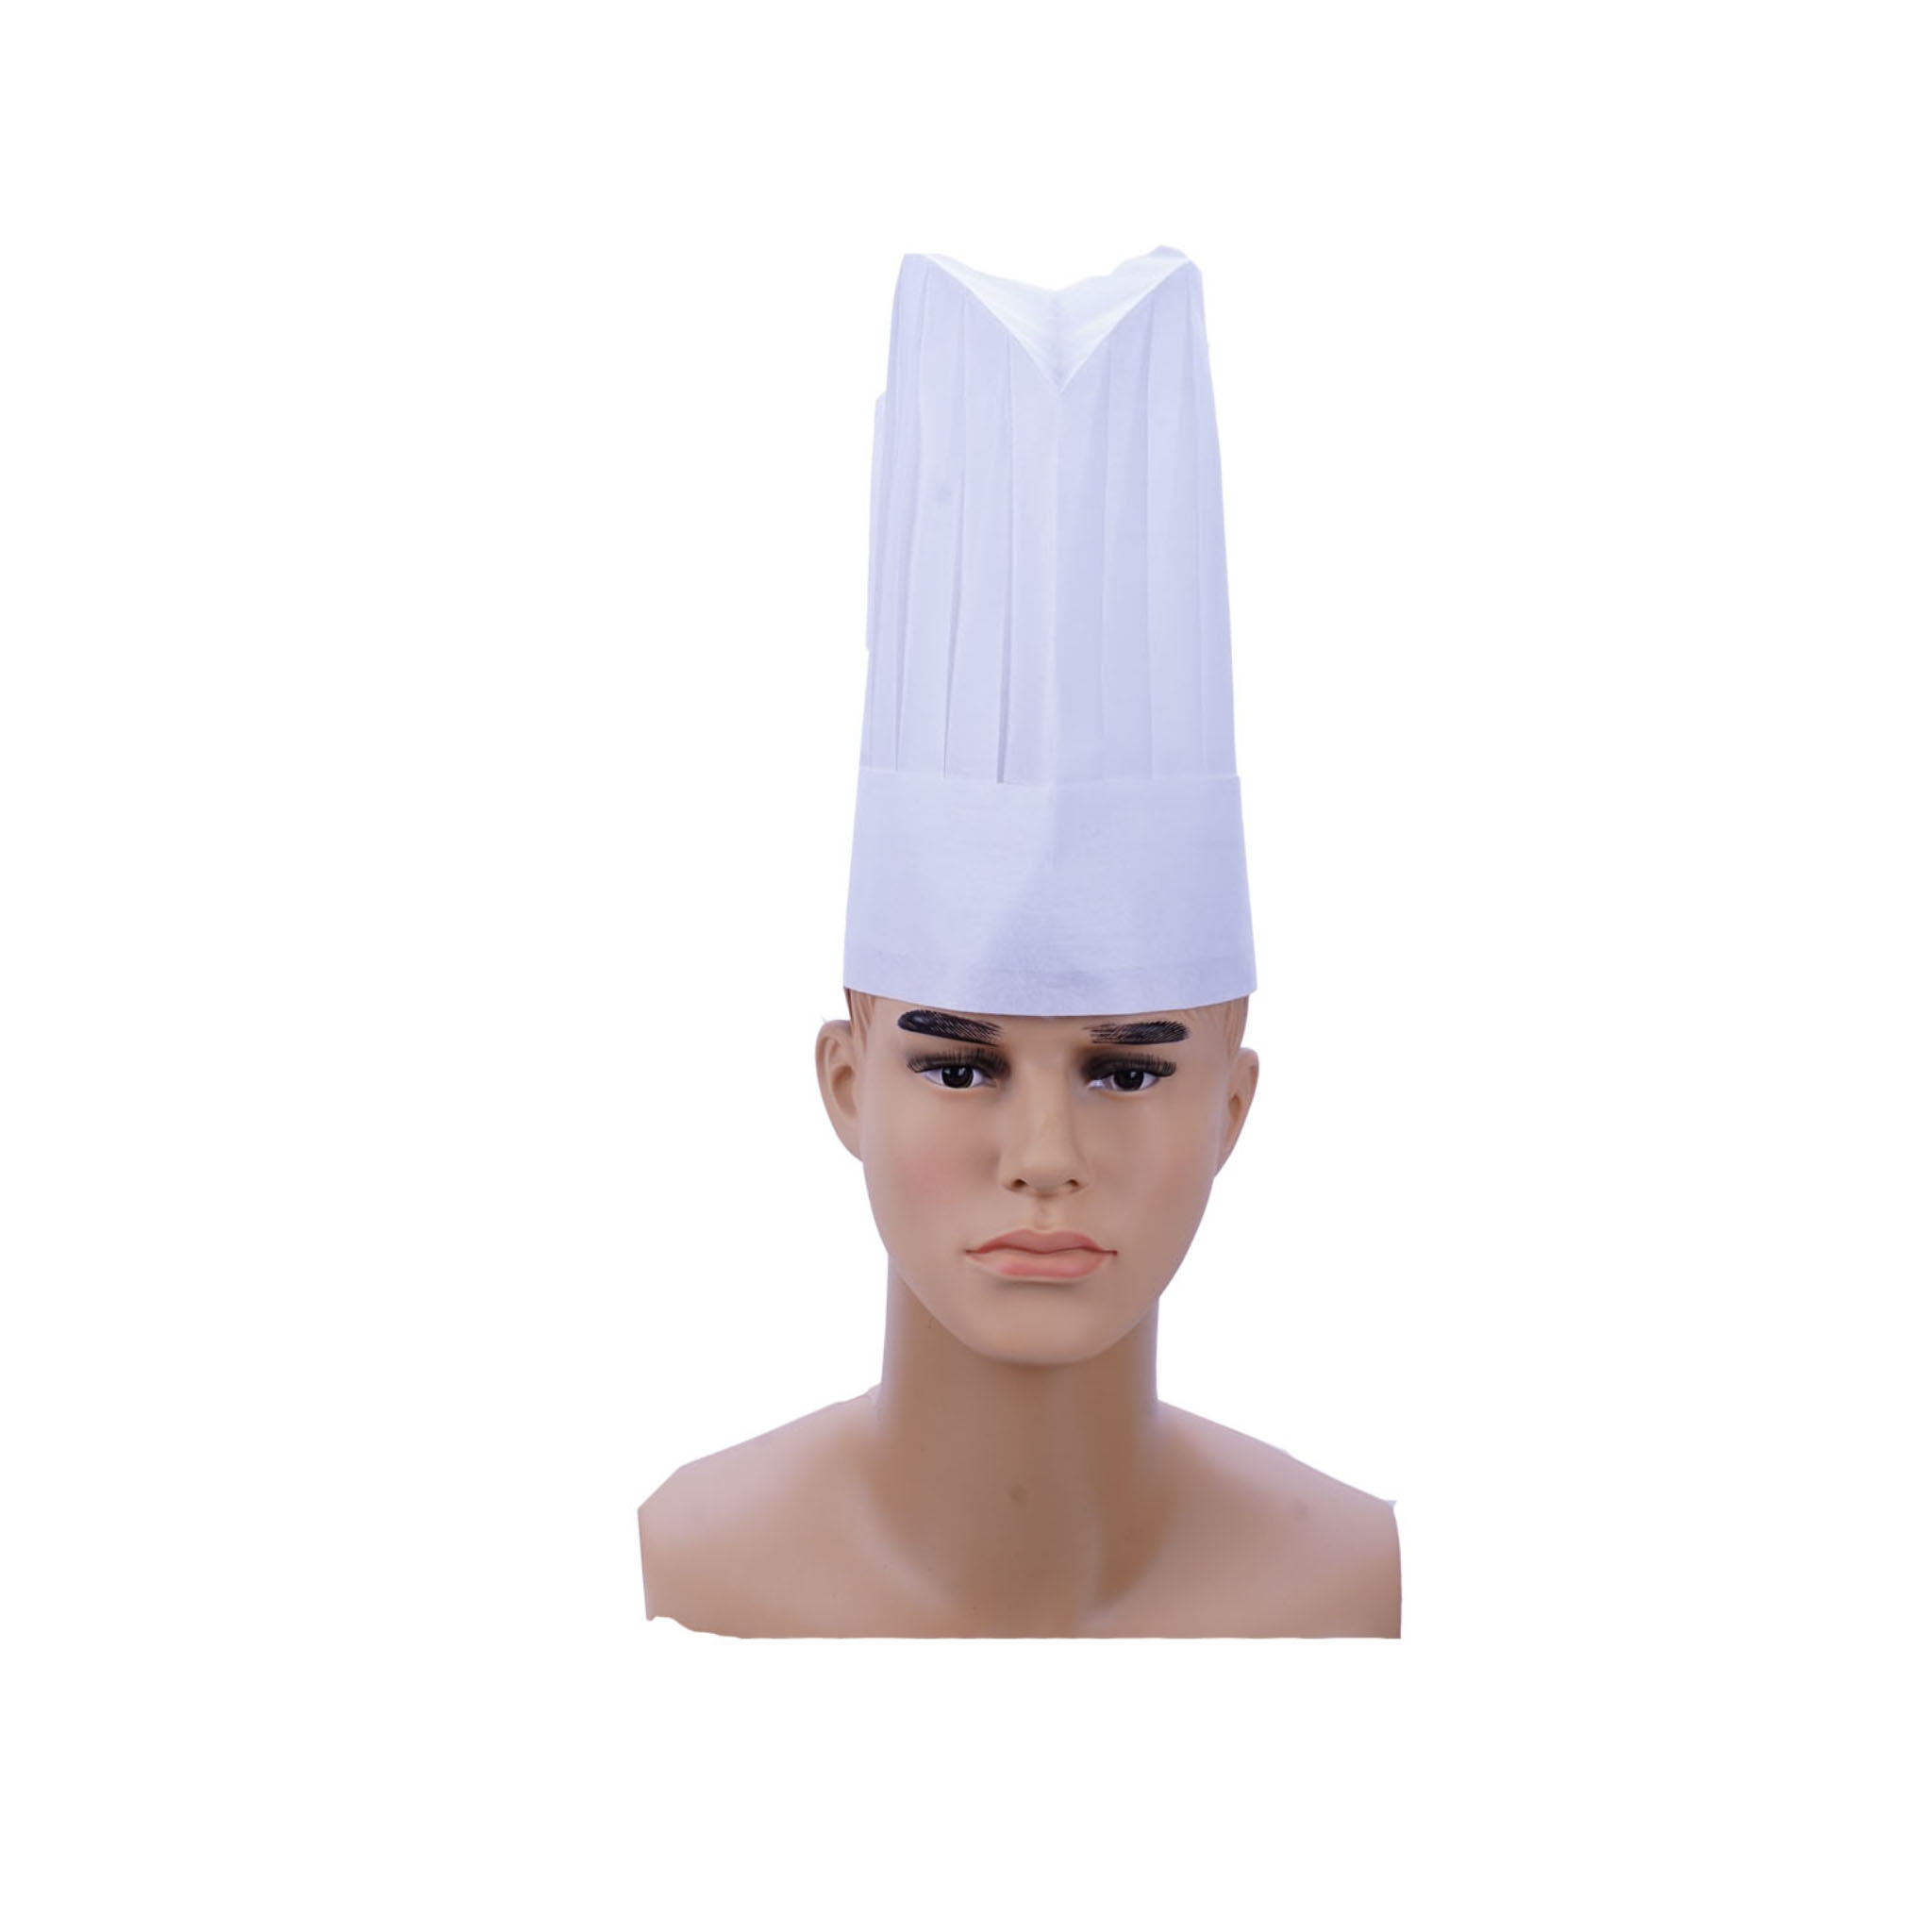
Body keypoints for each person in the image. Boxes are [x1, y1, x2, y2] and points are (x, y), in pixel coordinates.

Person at [638, 247, 1401, 1637]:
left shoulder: (1365, 1590)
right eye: (959, 1064)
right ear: (844, 1084)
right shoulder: (673, 1582)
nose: (1045, 1156)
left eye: (1128, 1070)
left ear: (1233, 1107)